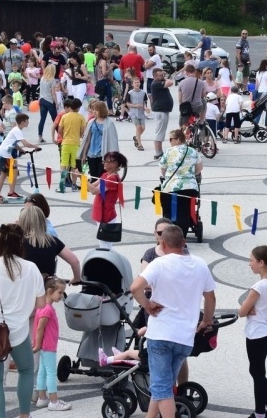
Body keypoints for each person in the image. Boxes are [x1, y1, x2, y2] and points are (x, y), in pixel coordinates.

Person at [130, 224, 215, 418]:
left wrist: (147, 305)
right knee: (164, 383)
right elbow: (211, 298)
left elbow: (135, 288)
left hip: (160, 334)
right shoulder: (200, 264)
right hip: (185, 337)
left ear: (163, 243)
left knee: (161, 387)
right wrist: (206, 321)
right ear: (184, 242)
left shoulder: (159, 264)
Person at [0, 223, 45, 418]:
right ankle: (24, 415)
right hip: (18, 330)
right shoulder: (32, 268)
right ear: (21, 242)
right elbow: (41, 303)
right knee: (27, 370)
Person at [238, 246, 267, 418]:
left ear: (261, 262)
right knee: (258, 372)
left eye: (252, 260)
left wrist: (247, 309)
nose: (250, 264)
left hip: (256, 333)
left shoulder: (259, 286)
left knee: (257, 374)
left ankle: (259, 414)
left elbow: (242, 311)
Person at [31, 277, 71, 411]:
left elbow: (39, 328)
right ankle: (54, 401)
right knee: (51, 373)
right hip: (48, 346)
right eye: (59, 292)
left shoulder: (42, 307)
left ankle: (42, 398)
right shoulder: (47, 309)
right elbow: (40, 328)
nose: (61, 296)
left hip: (44, 346)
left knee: (42, 371)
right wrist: (37, 344)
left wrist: (37, 344)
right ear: (49, 291)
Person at [19, 205, 81, 281]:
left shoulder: (19, 242)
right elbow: (75, 261)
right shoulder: (52, 241)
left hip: (26, 285)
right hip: (48, 287)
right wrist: (76, 278)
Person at [159, 128, 202, 235]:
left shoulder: (168, 152)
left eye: (170, 139)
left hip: (171, 187)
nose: (169, 142)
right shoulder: (193, 151)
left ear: (178, 140)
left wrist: (169, 178)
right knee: (184, 211)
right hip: (189, 187)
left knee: (169, 211)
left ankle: (169, 235)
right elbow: (199, 169)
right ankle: (182, 236)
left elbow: (163, 169)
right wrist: (191, 175)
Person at [0, 113, 41, 203]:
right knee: (12, 172)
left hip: (3, 153)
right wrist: (35, 147)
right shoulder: (17, 130)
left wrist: (21, 150)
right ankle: (9, 193)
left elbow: (14, 143)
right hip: (5, 154)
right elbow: (26, 143)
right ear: (22, 122)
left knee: (5, 174)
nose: (28, 122)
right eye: (27, 121)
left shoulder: (16, 129)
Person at [89, 151, 128, 250]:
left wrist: (82, 179)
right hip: (101, 212)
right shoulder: (106, 175)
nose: (103, 163)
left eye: (106, 161)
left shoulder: (113, 179)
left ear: (114, 164)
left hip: (106, 214)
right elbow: (92, 186)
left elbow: (95, 191)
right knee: (103, 243)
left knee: (105, 245)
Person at [79, 101, 119, 181]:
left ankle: (101, 193)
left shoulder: (109, 123)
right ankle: (97, 193)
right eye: (93, 109)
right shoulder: (91, 122)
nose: (94, 112)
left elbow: (113, 141)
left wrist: (113, 156)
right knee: (93, 176)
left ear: (102, 110)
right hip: (92, 153)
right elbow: (87, 139)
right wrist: (84, 154)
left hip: (104, 154)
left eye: (96, 110)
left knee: (102, 176)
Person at [150, 67, 174, 160]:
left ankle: (159, 151)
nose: (162, 76)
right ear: (155, 76)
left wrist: (163, 77)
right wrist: (165, 77)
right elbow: (170, 82)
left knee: (161, 131)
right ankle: (158, 152)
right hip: (160, 111)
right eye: (160, 75)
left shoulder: (159, 82)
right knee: (159, 132)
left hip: (163, 110)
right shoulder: (156, 84)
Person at [37, 64, 60, 143]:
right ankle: (59, 135)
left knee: (42, 119)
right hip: (50, 101)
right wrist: (56, 103)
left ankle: (40, 136)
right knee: (55, 120)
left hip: (42, 100)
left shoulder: (42, 78)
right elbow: (53, 93)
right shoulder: (52, 80)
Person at [126, 77, 149, 151]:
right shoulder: (130, 93)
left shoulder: (143, 93)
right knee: (138, 127)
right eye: (135, 82)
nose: (137, 84)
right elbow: (128, 104)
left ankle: (136, 137)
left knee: (143, 128)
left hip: (141, 113)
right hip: (133, 113)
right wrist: (136, 106)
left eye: (138, 82)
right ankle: (140, 144)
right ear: (132, 84)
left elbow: (144, 103)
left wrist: (146, 109)